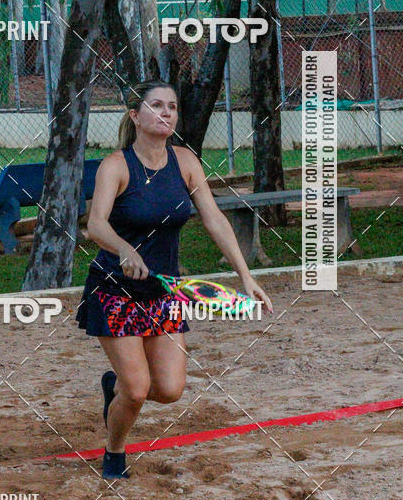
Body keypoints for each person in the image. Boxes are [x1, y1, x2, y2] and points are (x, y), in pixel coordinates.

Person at [76, 79, 273, 479]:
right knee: (137, 391)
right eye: (156, 105)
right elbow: (95, 225)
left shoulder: (185, 161)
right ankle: (114, 451)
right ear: (136, 116)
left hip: (164, 293)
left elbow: (214, 219)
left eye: (172, 106)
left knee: (168, 390)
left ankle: (114, 385)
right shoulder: (116, 166)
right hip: (115, 291)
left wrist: (246, 276)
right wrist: (124, 249)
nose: (166, 113)